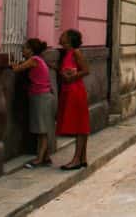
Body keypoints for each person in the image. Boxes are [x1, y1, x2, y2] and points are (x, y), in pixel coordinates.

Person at [10, 38, 54, 168]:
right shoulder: (38, 60)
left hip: (40, 97)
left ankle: (39, 159)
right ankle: (45, 157)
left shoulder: (34, 60)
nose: (22, 50)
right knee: (42, 128)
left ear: (31, 50)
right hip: (42, 96)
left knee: (41, 130)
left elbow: (16, 69)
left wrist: (12, 61)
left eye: (24, 48)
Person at [55, 29, 90, 170]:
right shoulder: (67, 53)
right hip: (68, 91)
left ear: (69, 39)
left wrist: (71, 77)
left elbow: (86, 70)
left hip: (75, 91)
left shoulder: (76, 52)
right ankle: (82, 158)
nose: (60, 36)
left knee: (79, 125)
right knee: (80, 124)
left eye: (63, 35)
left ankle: (77, 159)